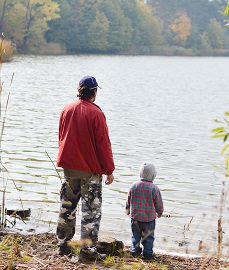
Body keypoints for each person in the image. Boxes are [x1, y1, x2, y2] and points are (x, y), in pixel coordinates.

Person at [56, 75, 115, 261]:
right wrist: (109, 170)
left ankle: (63, 245)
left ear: (80, 90)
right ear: (94, 92)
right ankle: (87, 251)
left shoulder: (67, 109)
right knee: (90, 212)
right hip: (90, 170)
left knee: (67, 207)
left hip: (69, 168)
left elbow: (61, 136)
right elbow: (103, 145)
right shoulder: (96, 113)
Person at [126, 162, 163, 261]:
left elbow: (128, 199)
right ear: (153, 175)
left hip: (135, 218)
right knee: (148, 237)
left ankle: (134, 251)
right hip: (149, 219)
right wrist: (160, 213)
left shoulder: (133, 186)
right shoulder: (154, 188)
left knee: (135, 236)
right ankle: (147, 254)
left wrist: (127, 210)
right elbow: (159, 203)